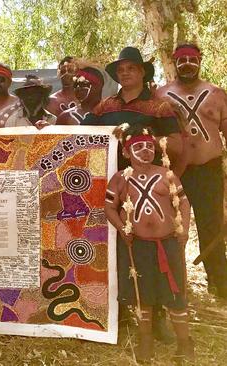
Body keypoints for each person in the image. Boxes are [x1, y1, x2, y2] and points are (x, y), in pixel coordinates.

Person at [83, 46, 183, 342]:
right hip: (115, 186)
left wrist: (140, 139)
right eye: (120, 70)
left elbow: (177, 144)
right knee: (121, 248)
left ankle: (159, 317)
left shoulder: (159, 107)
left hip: (147, 188)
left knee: (152, 251)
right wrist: (45, 130)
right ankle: (127, 312)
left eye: (131, 68)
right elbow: (83, 134)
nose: (125, 73)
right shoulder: (105, 107)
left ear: (142, 72)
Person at [105, 125, 193, 362]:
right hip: (138, 247)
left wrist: (183, 227)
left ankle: (185, 342)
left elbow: (183, 203)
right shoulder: (120, 179)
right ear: (126, 152)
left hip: (168, 243)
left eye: (149, 146)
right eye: (138, 147)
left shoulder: (167, 174)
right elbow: (109, 208)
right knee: (141, 293)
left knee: (175, 292)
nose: (145, 151)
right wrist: (123, 229)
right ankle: (145, 341)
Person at [155, 43, 227, 298]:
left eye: (192, 59)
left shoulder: (217, 94)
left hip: (209, 170)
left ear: (199, 61)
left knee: (212, 227)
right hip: (176, 170)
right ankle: (173, 287)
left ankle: (220, 285)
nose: (187, 63)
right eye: (182, 59)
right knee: (172, 228)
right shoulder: (161, 94)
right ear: (174, 62)